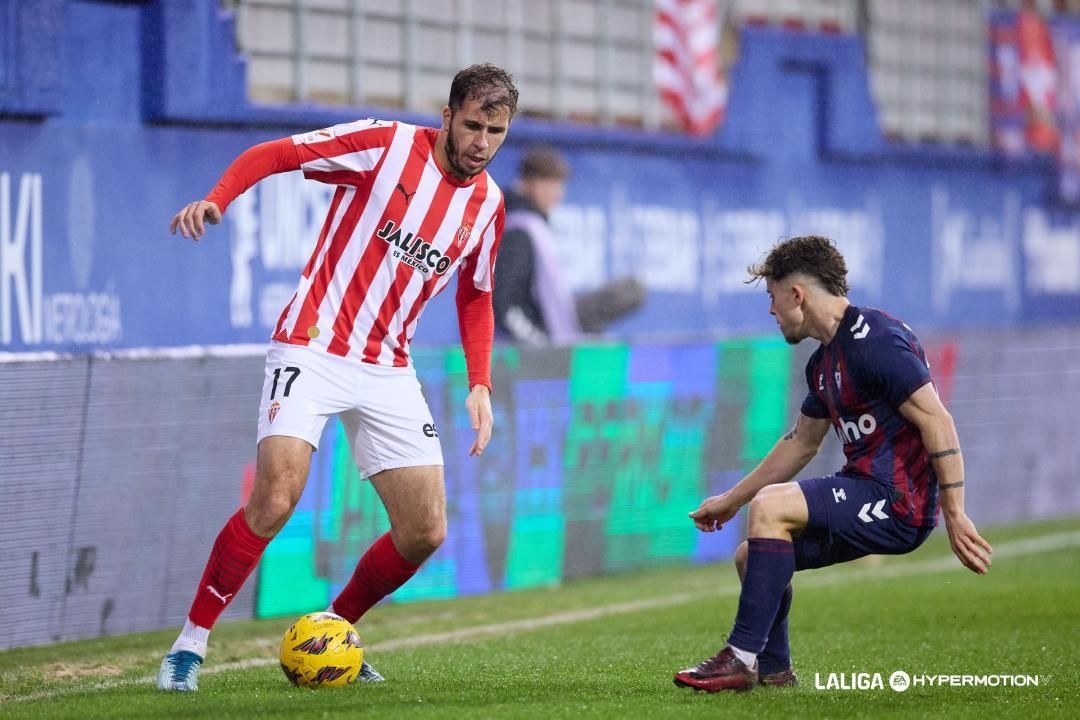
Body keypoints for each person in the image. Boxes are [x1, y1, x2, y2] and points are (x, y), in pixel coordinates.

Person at [158, 64, 518, 692]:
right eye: (472, 126)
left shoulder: (488, 203)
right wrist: (219, 197)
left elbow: (476, 296)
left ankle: (332, 630)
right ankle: (188, 647)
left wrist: (479, 382)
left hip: (389, 365)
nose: (481, 143)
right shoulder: (383, 146)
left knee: (425, 530)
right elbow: (277, 153)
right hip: (314, 344)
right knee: (275, 499)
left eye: (496, 130)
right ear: (446, 116)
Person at [673, 235, 993, 693]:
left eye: (771, 297)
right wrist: (728, 501)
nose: (771, 311)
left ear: (796, 294)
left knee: (771, 507)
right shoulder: (824, 363)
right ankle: (775, 672)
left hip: (897, 500)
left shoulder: (875, 339)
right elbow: (800, 443)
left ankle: (738, 659)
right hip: (865, 488)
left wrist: (956, 512)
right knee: (753, 556)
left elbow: (937, 420)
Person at [493, 146, 644, 345]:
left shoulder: (535, 226)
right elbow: (503, 304)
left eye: (558, 185)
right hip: (517, 353)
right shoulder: (519, 232)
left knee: (630, 292)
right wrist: (540, 344)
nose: (555, 193)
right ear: (527, 183)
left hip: (541, 335)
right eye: (547, 183)